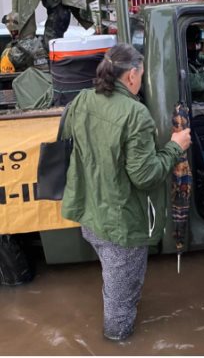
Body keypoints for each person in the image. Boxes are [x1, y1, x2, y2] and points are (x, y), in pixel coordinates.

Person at [60, 43, 192, 341]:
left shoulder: (83, 99)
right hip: (121, 225)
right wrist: (175, 146)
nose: (141, 80)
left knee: (114, 280)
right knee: (119, 314)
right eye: (142, 74)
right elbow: (146, 176)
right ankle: (116, 345)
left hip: (90, 213)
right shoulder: (136, 115)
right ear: (131, 75)